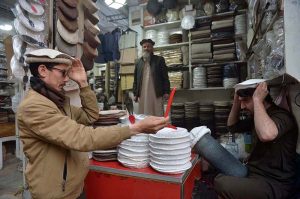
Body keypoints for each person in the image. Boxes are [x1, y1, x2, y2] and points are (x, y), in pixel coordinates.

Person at [17, 49, 169, 199]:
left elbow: (90, 116)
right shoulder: (34, 107)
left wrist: (83, 83)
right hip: (55, 193)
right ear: (43, 70)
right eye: (63, 73)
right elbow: (82, 137)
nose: (66, 79)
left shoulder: (57, 102)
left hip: (73, 187)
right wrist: (136, 128)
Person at [214, 81, 298, 199]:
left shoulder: (282, 116)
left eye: (246, 101)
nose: (243, 106)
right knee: (218, 176)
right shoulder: (257, 116)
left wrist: (257, 100)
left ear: (261, 98)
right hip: (255, 174)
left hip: (275, 183)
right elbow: (232, 127)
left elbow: (267, 134)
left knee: (220, 182)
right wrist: (237, 101)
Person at [133, 39, 170, 116]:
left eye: (149, 46)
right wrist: (135, 93)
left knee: (157, 112)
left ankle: (158, 127)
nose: (146, 48)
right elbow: (135, 79)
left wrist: (166, 91)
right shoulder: (138, 62)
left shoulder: (159, 60)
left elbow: (165, 77)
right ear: (142, 48)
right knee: (143, 113)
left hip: (156, 92)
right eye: (144, 47)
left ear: (152, 48)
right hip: (142, 93)